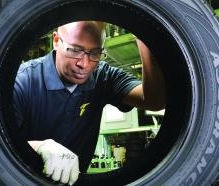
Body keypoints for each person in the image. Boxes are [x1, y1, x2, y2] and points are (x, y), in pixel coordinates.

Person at [12, 21, 165, 185]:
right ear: (56, 41)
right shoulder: (22, 81)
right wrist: (39, 147)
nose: (83, 64)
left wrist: (145, 40)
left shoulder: (103, 76)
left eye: (95, 53)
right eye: (74, 50)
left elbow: (154, 101)